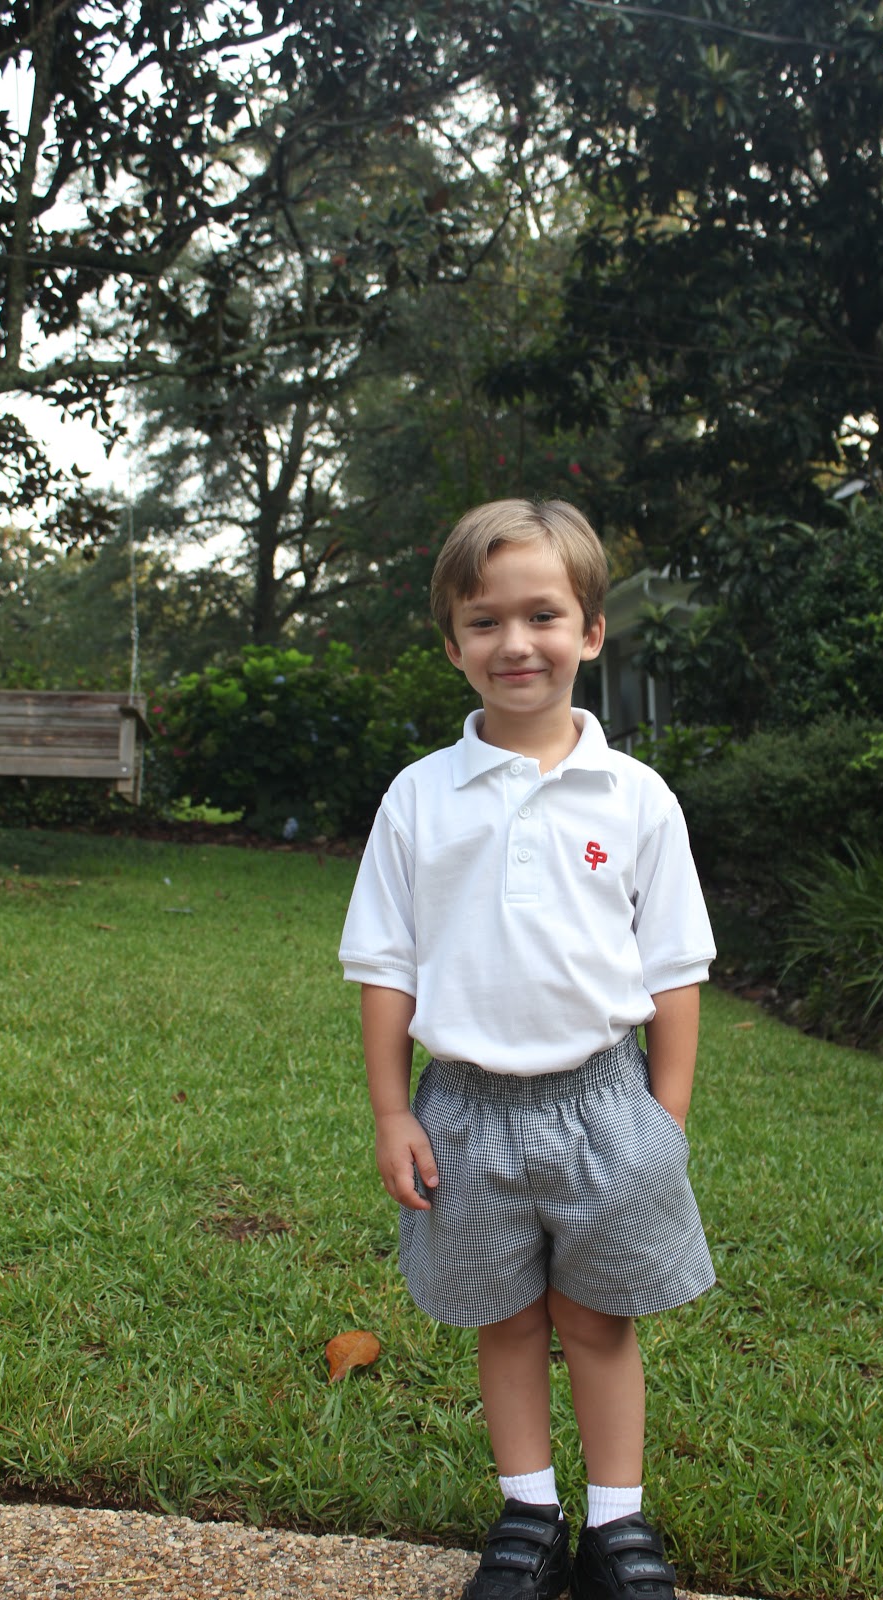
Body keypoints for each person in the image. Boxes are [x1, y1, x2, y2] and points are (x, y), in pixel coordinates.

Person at [339, 499, 716, 1600]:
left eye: (542, 615)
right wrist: (392, 1111)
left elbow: (673, 970)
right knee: (502, 1317)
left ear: (590, 630)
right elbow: (385, 966)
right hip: (463, 1109)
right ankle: (529, 1513)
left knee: (597, 1318)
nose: (515, 642)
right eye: (484, 620)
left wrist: (664, 1118)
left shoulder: (635, 798)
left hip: (605, 1103)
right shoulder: (420, 797)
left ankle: (617, 1524)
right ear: (452, 644)